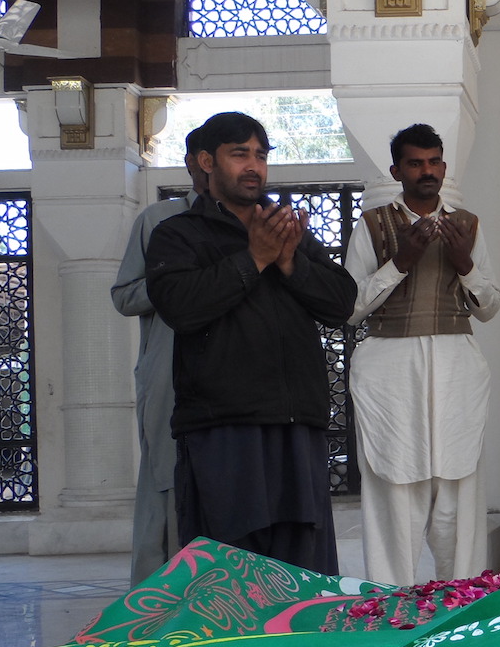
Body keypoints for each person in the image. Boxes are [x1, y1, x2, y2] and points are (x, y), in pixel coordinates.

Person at [145, 112, 357, 573]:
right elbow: (181, 307)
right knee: (230, 572)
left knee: (305, 571)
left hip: (297, 424)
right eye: (239, 154)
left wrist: (289, 263)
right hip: (224, 429)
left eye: (260, 155)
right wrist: (254, 259)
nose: (253, 166)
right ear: (206, 162)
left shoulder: (289, 233)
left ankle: (308, 646)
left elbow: (341, 303)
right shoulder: (178, 235)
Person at [344, 124, 500, 585]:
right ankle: (392, 606)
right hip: (390, 371)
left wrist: (465, 264)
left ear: (444, 167)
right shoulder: (371, 225)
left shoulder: (467, 226)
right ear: (397, 170)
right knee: (396, 485)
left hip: (457, 368)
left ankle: (465, 605)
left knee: (459, 489)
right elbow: (350, 308)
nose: (426, 171)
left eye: (434, 162)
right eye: (415, 163)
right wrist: (401, 262)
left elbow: (490, 307)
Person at [110, 127, 202, 584]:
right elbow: (125, 296)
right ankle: (156, 603)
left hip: (237, 383)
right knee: (165, 480)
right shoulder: (158, 220)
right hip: (168, 375)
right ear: (195, 164)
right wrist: (180, 280)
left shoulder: (258, 222)